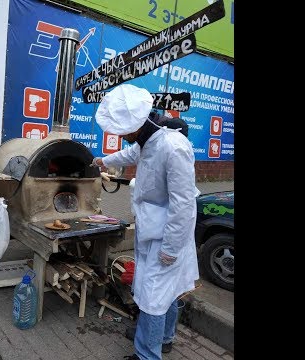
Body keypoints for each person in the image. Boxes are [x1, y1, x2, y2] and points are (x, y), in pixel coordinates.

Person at [92, 84, 200, 360]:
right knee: (168, 291)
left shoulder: (173, 147)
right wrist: (103, 161)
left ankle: (146, 355)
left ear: (134, 126)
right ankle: (164, 337)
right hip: (153, 230)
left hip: (167, 236)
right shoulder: (148, 140)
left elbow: (184, 204)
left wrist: (171, 248)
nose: (122, 135)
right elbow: (131, 155)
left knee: (153, 297)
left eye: (122, 130)